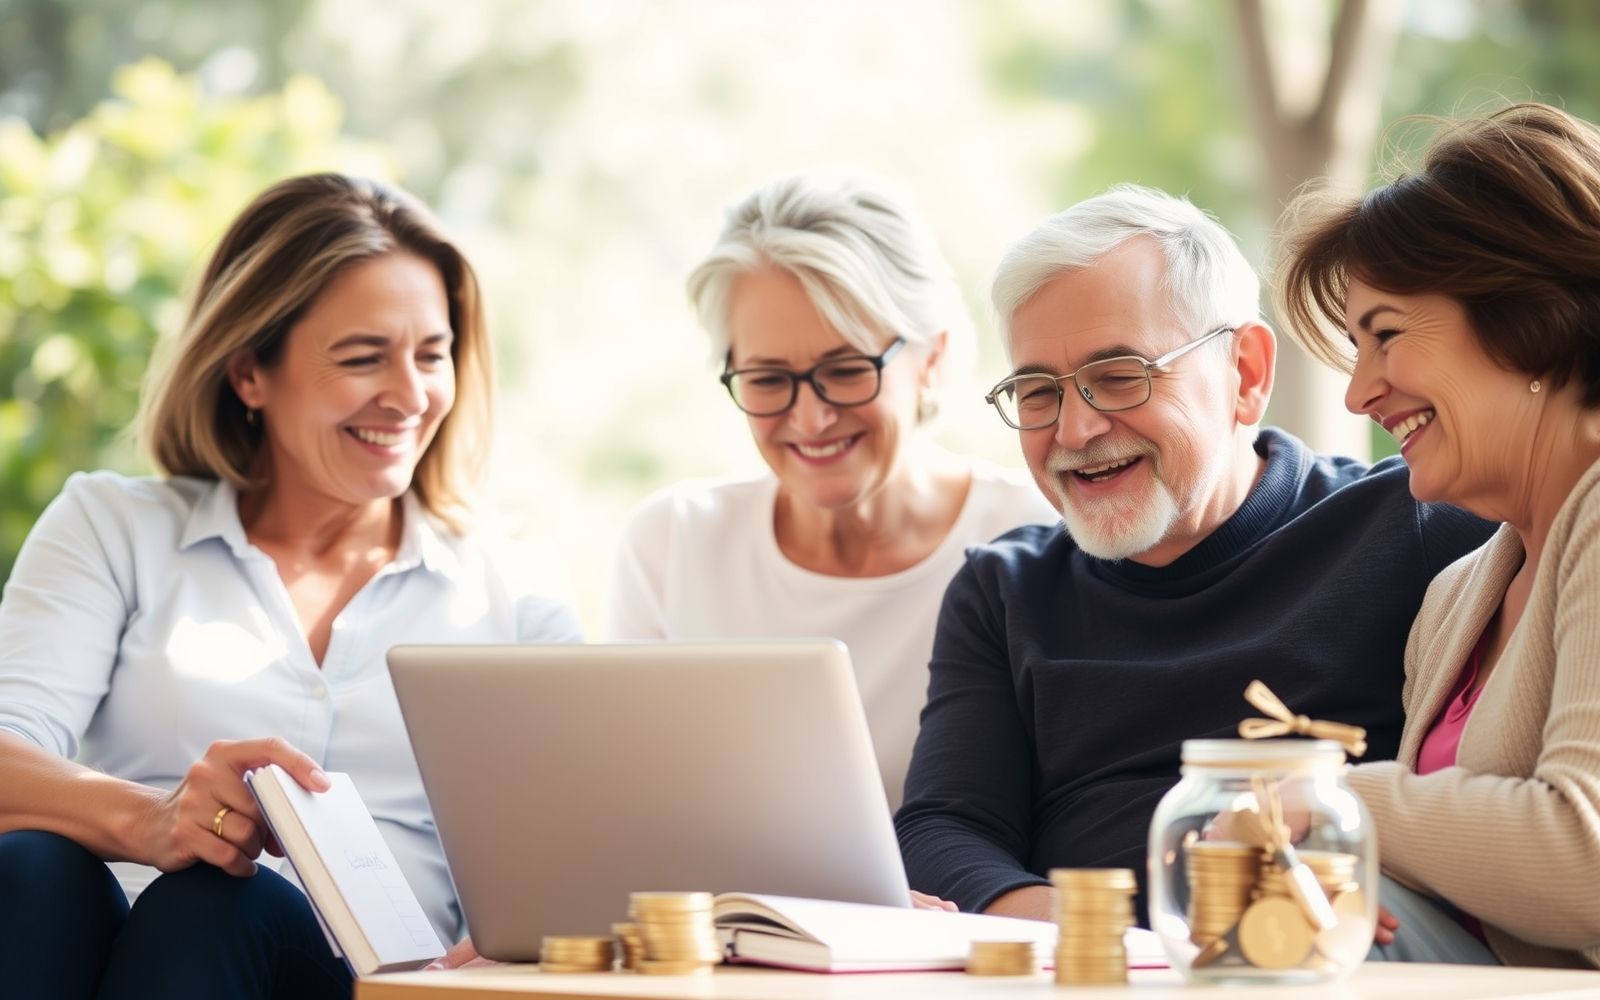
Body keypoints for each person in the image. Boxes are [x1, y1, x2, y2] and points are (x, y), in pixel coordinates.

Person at [0, 173, 580, 1000]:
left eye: (432, 354)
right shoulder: (114, 526)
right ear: (249, 375)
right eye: (362, 358)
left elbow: (587, 844)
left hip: (372, 983)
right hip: (108, 953)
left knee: (224, 905)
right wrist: (149, 818)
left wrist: (502, 949)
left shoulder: (513, 588)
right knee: (31, 863)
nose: (412, 397)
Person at [893, 184, 1494, 930]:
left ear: (1245, 373)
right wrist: (1109, 938)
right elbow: (943, 829)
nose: (1076, 429)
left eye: (1120, 377)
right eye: (1038, 392)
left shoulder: (1419, 526)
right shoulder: (1005, 589)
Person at [606, 174, 1056, 809]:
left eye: (845, 371)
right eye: (767, 379)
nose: (810, 419)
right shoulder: (674, 543)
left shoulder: (1032, 536)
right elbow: (639, 803)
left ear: (932, 357)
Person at [1276, 102, 1600, 969]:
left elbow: (1588, 860)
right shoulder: (1455, 597)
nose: (1358, 394)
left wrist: (1335, 803)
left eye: (1385, 336)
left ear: (1527, 319)